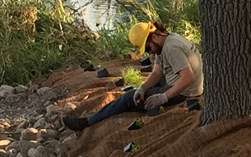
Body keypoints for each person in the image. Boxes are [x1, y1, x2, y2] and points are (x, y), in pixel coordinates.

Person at [64, 20, 203, 129]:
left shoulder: (172, 49)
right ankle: (138, 95)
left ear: (154, 36)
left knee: (128, 98)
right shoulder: (165, 41)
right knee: (139, 92)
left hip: (185, 91)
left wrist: (163, 98)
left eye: (148, 47)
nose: (149, 52)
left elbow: (188, 77)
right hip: (174, 80)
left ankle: (88, 122)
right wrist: (142, 88)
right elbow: (156, 72)